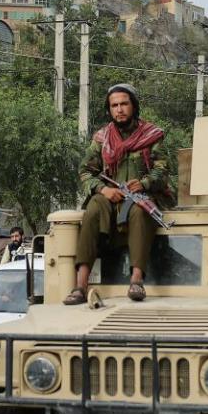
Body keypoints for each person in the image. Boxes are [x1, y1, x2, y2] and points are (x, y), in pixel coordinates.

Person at [64, 83, 168, 305]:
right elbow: (85, 171)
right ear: (109, 109)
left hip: (140, 197)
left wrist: (144, 183)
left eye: (124, 104)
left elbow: (163, 169)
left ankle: (137, 281)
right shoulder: (102, 138)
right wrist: (103, 189)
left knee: (141, 213)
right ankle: (80, 285)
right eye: (114, 105)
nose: (119, 109)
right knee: (92, 208)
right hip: (111, 197)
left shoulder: (152, 135)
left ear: (133, 106)